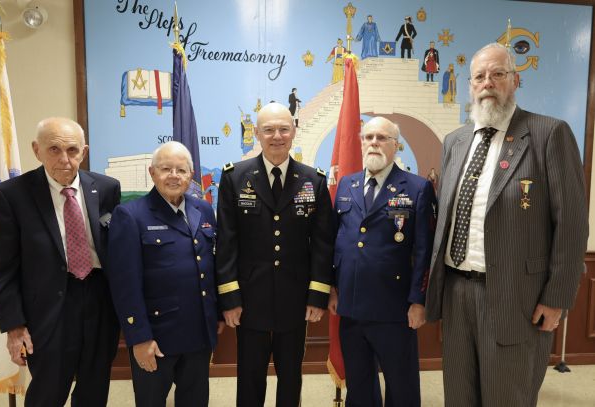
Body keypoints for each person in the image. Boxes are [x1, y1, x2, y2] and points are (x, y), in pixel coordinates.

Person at [424, 43, 588, 406]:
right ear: (470, 85)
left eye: (498, 74)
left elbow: (572, 224)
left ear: (515, 81)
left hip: (517, 298)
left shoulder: (548, 133)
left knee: (507, 398)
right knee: (459, 397)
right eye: (479, 76)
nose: (488, 83)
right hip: (457, 293)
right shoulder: (455, 141)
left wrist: (556, 298)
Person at [0, 117, 120, 407]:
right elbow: (2, 271)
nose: (64, 159)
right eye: (54, 150)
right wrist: (14, 327)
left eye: (72, 150)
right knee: (48, 392)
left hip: (99, 302)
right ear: (37, 150)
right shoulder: (12, 195)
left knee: (94, 389)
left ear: (84, 152)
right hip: (47, 309)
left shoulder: (107, 188)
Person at [216, 102, 334, 406]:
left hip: (295, 299)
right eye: (269, 130)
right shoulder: (235, 177)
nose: (277, 136)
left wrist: (317, 295)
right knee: (250, 377)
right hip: (249, 298)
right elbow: (226, 243)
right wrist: (230, 298)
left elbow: (323, 244)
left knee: (291, 377)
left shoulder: (314, 180)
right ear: (257, 133)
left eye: (283, 129)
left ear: (293, 131)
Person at [328, 117, 436, 406]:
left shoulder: (416, 187)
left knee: (401, 388)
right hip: (351, 307)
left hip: (395, 309)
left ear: (396, 145)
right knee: (359, 388)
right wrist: (333, 289)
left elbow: (424, 250)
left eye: (382, 137)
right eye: (368, 137)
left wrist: (418, 301)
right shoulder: (347, 184)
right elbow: (336, 240)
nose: (373, 142)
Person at [105, 142, 222, 407]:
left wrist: (215, 314)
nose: (174, 176)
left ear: (191, 175)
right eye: (166, 169)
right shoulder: (130, 215)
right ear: (152, 172)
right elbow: (125, 285)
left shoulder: (203, 209)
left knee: (195, 402)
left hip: (198, 332)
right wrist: (139, 337)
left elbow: (210, 265)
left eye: (181, 170)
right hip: (156, 336)